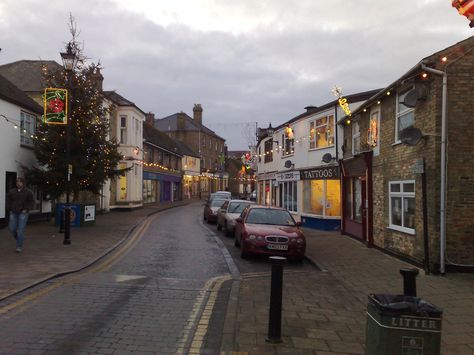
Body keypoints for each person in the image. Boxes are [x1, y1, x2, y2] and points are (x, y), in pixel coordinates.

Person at [7, 177, 35, 253]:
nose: (18, 183)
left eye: (19, 182)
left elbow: (32, 202)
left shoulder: (28, 192)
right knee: (11, 229)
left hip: (23, 213)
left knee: (20, 230)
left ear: (23, 183)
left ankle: (19, 246)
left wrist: (26, 209)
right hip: (13, 212)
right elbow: (8, 200)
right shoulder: (12, 191)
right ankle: (20, 238)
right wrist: (9, 209)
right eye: (17, 182)